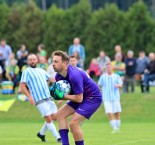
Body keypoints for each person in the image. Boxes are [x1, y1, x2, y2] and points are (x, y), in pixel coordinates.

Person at [51, 50, 102, 145]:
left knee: (73, 123)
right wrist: (57, 94)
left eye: (56, 62)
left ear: (65, 63)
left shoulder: (74, 75)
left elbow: (79, 99)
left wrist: (62, 96)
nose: (53, 64)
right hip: (81, 96)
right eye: (53, 61)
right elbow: (69, 92)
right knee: (60, 114)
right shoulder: (58, 76)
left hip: (92, 98)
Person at [20, 54, 61, 143]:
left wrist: (63, 79)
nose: (32, 61)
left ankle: (41, 134)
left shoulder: (41, 70)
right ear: (28, 61)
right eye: (30, 60)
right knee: (48, 119)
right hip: (38, 99)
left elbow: (51, 79)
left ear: (37, 60)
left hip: (48, 97)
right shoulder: (26, 71)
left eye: (34, 59)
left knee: (54, 117)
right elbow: (22, 85)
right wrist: (29, 97)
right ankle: (58, 137)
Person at [98, 62, 123, 133]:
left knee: (117, 113)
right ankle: (114, 128)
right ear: (106, 68)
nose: (109, 68)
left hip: (115, 97)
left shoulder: (116, 76)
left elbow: (121, 84)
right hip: (106, 98)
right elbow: (99, 85)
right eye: (107, 67)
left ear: (112, 68)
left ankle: (117, 128)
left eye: (110, 67)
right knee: (109, 112)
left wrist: (118, 85)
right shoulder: (103, 76)